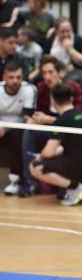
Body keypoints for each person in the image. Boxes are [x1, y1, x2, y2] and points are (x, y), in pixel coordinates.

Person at [20, 55, 82, 196]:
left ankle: (66, 184)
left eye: (50, 72)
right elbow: (37, 113)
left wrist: (47, 119)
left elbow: (76, 119)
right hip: (49, 131)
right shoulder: (41, 88)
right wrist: (34, 119)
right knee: (28, 132)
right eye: (44, 73)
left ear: (59, 72)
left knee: (63, 144)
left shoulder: (73, 88)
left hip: (69, 133)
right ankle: (29, 181)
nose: (47, 76)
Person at [29, 83, 82, 206]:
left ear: (52, 100)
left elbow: (49, 152)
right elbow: (71, 146)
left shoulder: (62, 120)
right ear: (71, 98)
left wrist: (39, 157)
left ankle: (76, 187)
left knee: (35, 166)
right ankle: (80, 188)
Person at [0, 61, 37, 194]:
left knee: (19, 136)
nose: (15, 81)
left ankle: (16, 179)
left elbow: (28, 118)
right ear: (4, 77)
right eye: (11, 77)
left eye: (18, 77)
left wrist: (8, 128)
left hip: (18, 129)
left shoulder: (29, 90)